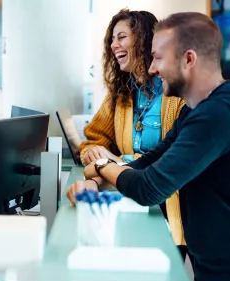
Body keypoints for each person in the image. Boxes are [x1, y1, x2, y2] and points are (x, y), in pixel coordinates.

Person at [68, 12, 230, 281]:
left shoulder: (216, 114)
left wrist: (102, 167)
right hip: (210, 264)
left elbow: (149, 187)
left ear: (189, 59)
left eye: (158, 58)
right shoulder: (194, 112)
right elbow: (152, 159)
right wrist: (97, 180)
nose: (152, 68)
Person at [78, 9, 187, 258]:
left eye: (122, 37)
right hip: (132, 195)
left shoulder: (175, 91)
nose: (114, 45)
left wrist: (114, 163)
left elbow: (175, 156)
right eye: (112, 39)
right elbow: (93, 138)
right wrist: (92, 152)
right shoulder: (121, 93)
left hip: (169, 202)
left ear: (144, 39)